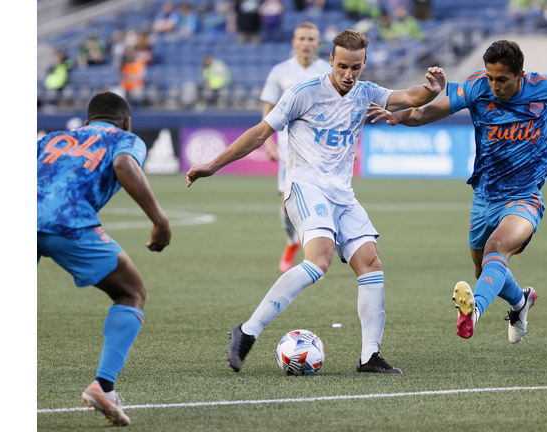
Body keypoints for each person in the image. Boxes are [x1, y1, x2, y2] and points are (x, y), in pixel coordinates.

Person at [186, 29, 446, 374]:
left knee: (370, 263)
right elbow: (260, 133)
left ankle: (369, 357)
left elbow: (410, 97)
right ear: (331, 61)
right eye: (342, 66)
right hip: (305, 187)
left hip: (342, 193)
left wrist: (431, 90)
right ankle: (247, 332)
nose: (349, 75)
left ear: (365, 62)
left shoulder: (367, 93)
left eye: (356, 67)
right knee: (319, 260)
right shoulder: (303, 93)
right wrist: (213, 165)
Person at [366, 26, 547, 343]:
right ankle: (521, 301)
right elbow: (429, 111)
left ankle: (474, 314)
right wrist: (402, 116)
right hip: (484, 197)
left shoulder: (545, 86)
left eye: (502, 80)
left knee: (496, 250)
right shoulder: (476, 87)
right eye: (491, 77)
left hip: (525, 198)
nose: (494, 85)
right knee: (484, 272)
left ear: (520, 74)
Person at [37, 92, 171, 426]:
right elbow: (124, 165)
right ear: (127, 122)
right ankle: (104, 387)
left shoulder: (53, 139)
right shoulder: (124, 139)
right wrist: (160, 220)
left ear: (86, 123)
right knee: (131, 293)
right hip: (68, 222)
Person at [260, 22, 332, 273]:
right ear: (294, 42)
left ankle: (313, 257)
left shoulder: (329, 70)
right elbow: (268, 107)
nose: (306, 43)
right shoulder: (280, 71)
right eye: (302, 38)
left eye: (311, 38)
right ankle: (292, 243)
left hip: (323, 150)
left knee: (320, 203)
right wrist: (267, 140)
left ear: (318, 43)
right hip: (288, 150)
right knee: (287, 205)